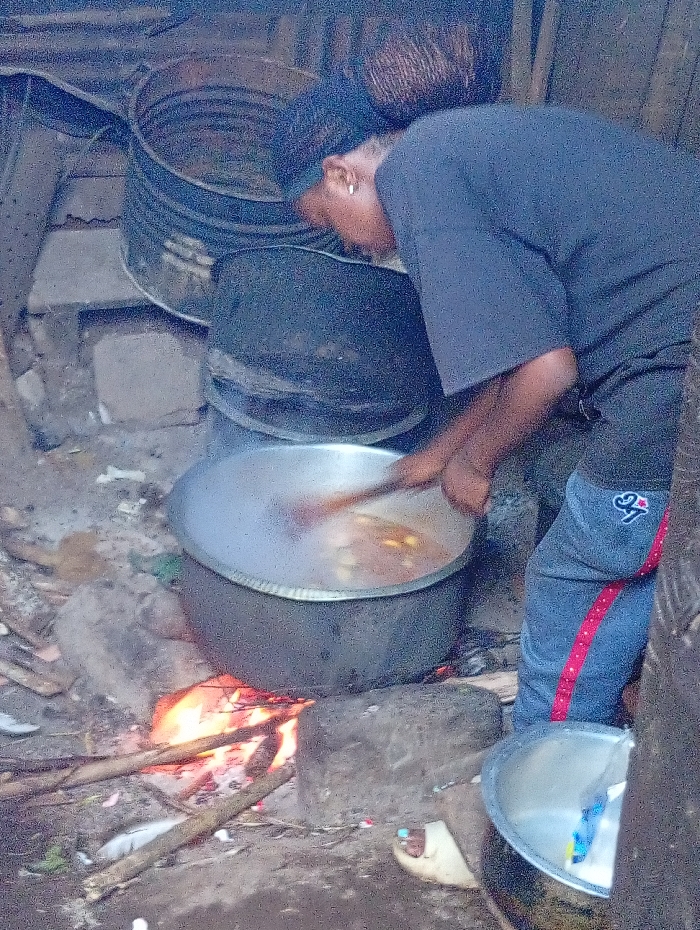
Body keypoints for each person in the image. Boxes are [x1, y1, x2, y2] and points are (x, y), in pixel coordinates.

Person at [272, 56, 700, 733]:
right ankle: (620, 682)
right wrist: (440, 452)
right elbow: (522, 352)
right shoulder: (449, 151)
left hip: (676, 369)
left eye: (327, 222)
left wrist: (474, 464)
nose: (349, 246)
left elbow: (547, 371)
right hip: (672, 340)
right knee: (572, 488)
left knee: (574, 578)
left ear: (340, 174)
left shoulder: (420, 188)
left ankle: (546, 764)